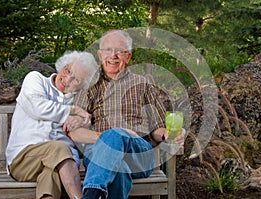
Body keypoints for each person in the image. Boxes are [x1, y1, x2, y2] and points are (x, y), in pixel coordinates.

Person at [69, 30, 185, 199]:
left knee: (117, 143)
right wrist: (111, 137)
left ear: (128, 57)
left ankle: (91, 194)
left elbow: (158, 128)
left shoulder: (142, 84)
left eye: (120, 51)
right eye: (108, 50)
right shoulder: (89, 86)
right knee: (119, 167)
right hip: (99, 154)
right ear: (100, 55)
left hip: (138, 154)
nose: (113, 56)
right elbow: (74, 132)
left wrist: (170, 134)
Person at [5, 50, 99, 199]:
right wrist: (72, 111)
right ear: (62, 66)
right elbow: (38, 107)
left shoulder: (78, 100)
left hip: (59, 164)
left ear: (82, 85)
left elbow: (81, 132)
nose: (67, 79)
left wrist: (81, 120)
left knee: (51, 174)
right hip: (23, 160)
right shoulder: (36, 80)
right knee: (59, 148)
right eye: (67, 70)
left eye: (75, 79)